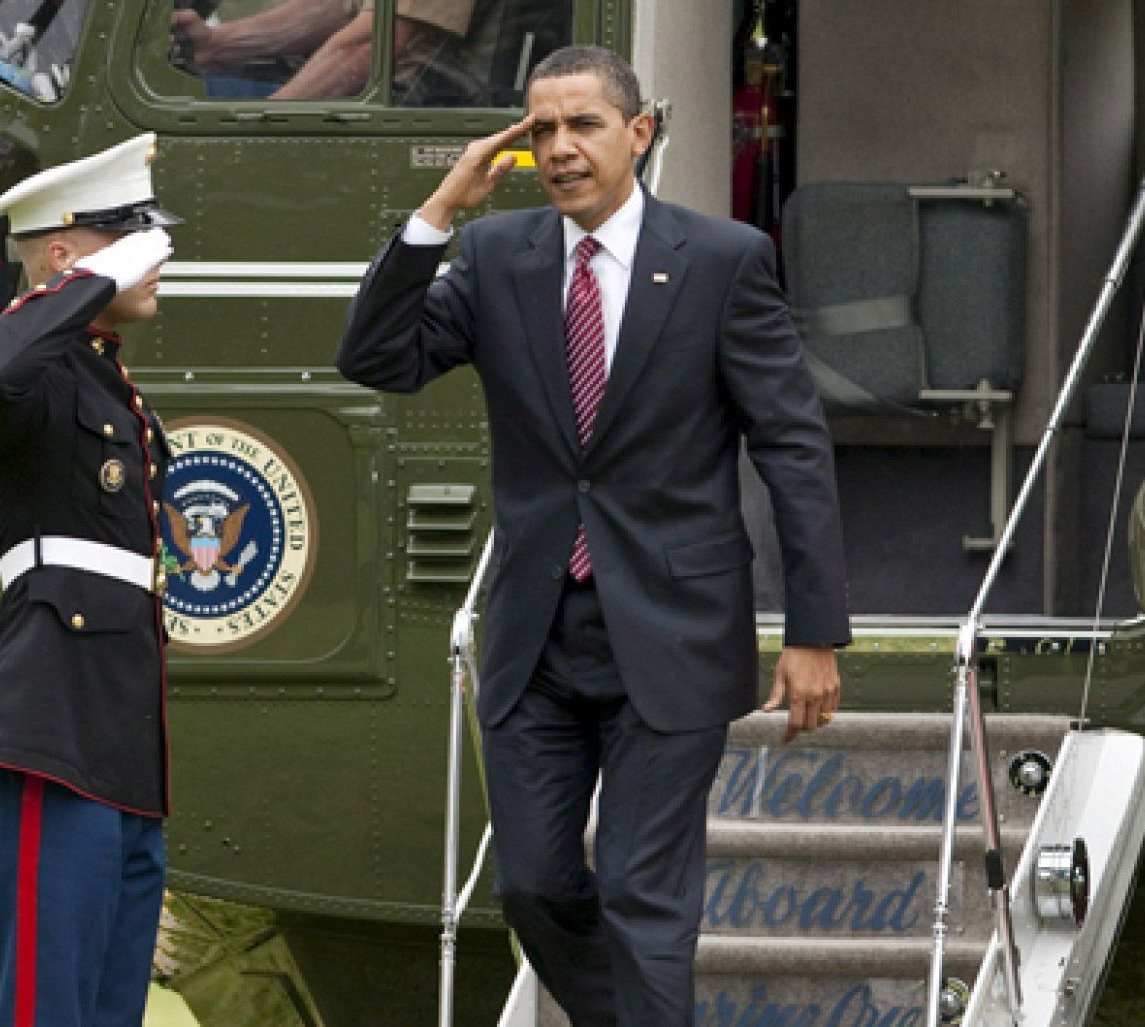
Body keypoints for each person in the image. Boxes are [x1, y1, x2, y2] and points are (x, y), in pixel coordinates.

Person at [337, 45, 851, 1025]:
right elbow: (375, 357)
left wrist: (813, 629)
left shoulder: (724, 261)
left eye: (583, 125)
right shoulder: (495, 258)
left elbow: (792, 446)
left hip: (674, 628)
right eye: (541, 130)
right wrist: (438, 212)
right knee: (532, 886)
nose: (560, 148)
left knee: (642, 895)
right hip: (534, 636)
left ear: (639, 133)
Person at [0, 133, 181, 1027]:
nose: (156, 259)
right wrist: (93, 279)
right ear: (62, 258)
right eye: (132, 241)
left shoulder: (100, 379)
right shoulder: (29, 376)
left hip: (116, 747)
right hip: (45, 733)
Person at [171, 0, 472, 101]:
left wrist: (263, 120)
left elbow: (368, 47)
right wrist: (217, 43)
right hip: (384, 100)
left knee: (175, 103)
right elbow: (340, 8)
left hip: (410, 106)